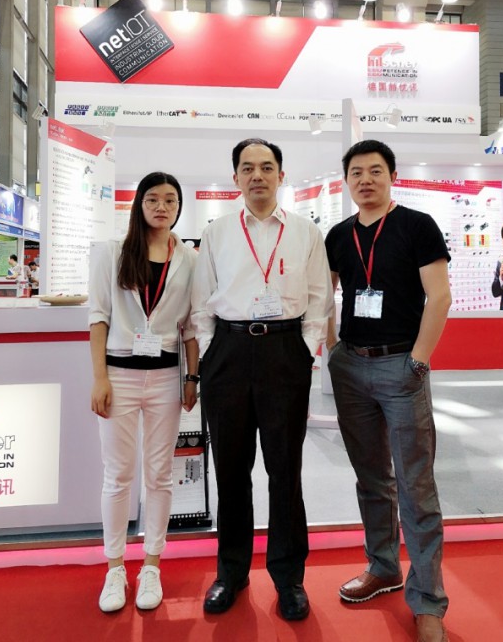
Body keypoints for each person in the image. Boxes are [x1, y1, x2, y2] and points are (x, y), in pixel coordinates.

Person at [191, 138, 334, 621]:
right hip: (228, 353)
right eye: (248, 168)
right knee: (231, 470)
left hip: (284, 351)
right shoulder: (217, 232)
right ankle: (231, 572)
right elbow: (201, 301)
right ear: (235, 177)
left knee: (284, 470)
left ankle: (289, 578)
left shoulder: (305, 231)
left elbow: (319, 297)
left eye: (266, 167)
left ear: (280, 175)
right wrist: (211, 352)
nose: (257, 175)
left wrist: (305, 350)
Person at [324, 139, 452, 642]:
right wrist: (332, 349)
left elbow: (439, 297)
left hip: (402, 366)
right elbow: (323, 295)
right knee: (371, 477)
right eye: (356, 172)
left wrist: (418, 360)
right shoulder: (338, 235)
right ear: (347, 181)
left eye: (375, 170)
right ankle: (383, 567)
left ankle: (428, 601)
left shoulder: (418, 226)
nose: (365, 180)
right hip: (351, 368)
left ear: (391, 175)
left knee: (416, 486)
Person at [88, 171, 199, 614]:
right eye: (153, 199)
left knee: (159, 475)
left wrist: (192, 378)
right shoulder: (114, 252)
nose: (161, 207)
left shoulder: (188, 258)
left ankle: (151, 564)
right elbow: (98, 317)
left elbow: (191, 326)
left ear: (179, 208)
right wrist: (99, 378)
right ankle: (115, 567)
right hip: (120, 375)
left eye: (170, 200)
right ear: (139, 204)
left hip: (166, 378)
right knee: (117, 474)